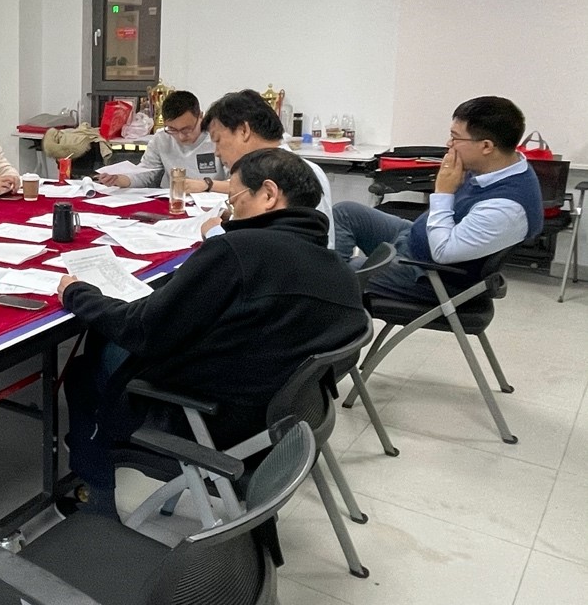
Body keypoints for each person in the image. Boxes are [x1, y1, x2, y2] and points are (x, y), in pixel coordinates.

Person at [57, 148, 368, 517]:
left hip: (213, 423)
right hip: (284, 428)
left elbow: (141, 329)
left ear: (268, 194)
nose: (229, 212)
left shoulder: (238, 250)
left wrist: (77, 293)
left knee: (85, 368)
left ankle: (94, 503)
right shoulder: (340, 272)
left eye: (234, 200)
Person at [333, 96, 543, 300]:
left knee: (344, 274)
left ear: (486, 146)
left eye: (456, 138)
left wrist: (443, 192)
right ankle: (332, 291)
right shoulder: (499, 166)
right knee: (345, 212)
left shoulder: (506, 208)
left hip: (429, 275)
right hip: (414, 239)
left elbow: (443, 252)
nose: (449, 143)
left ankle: (332, 294)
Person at [201, 88, 335, 247]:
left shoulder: (297, 173)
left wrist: (215, 234)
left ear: (244, 130)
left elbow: (289, 247)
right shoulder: (259, 170)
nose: (216, 152)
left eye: (218, 140)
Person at [97, 90, 229, 193]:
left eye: (186, 129)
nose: (180, 137)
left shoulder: (217, 138)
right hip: (171, 200)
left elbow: (236, 184)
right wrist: (120, 179)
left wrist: (206, 185)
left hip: (209, 204)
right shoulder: (162, 138)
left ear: (200, 116)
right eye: (172, 129)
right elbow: (146, 175)